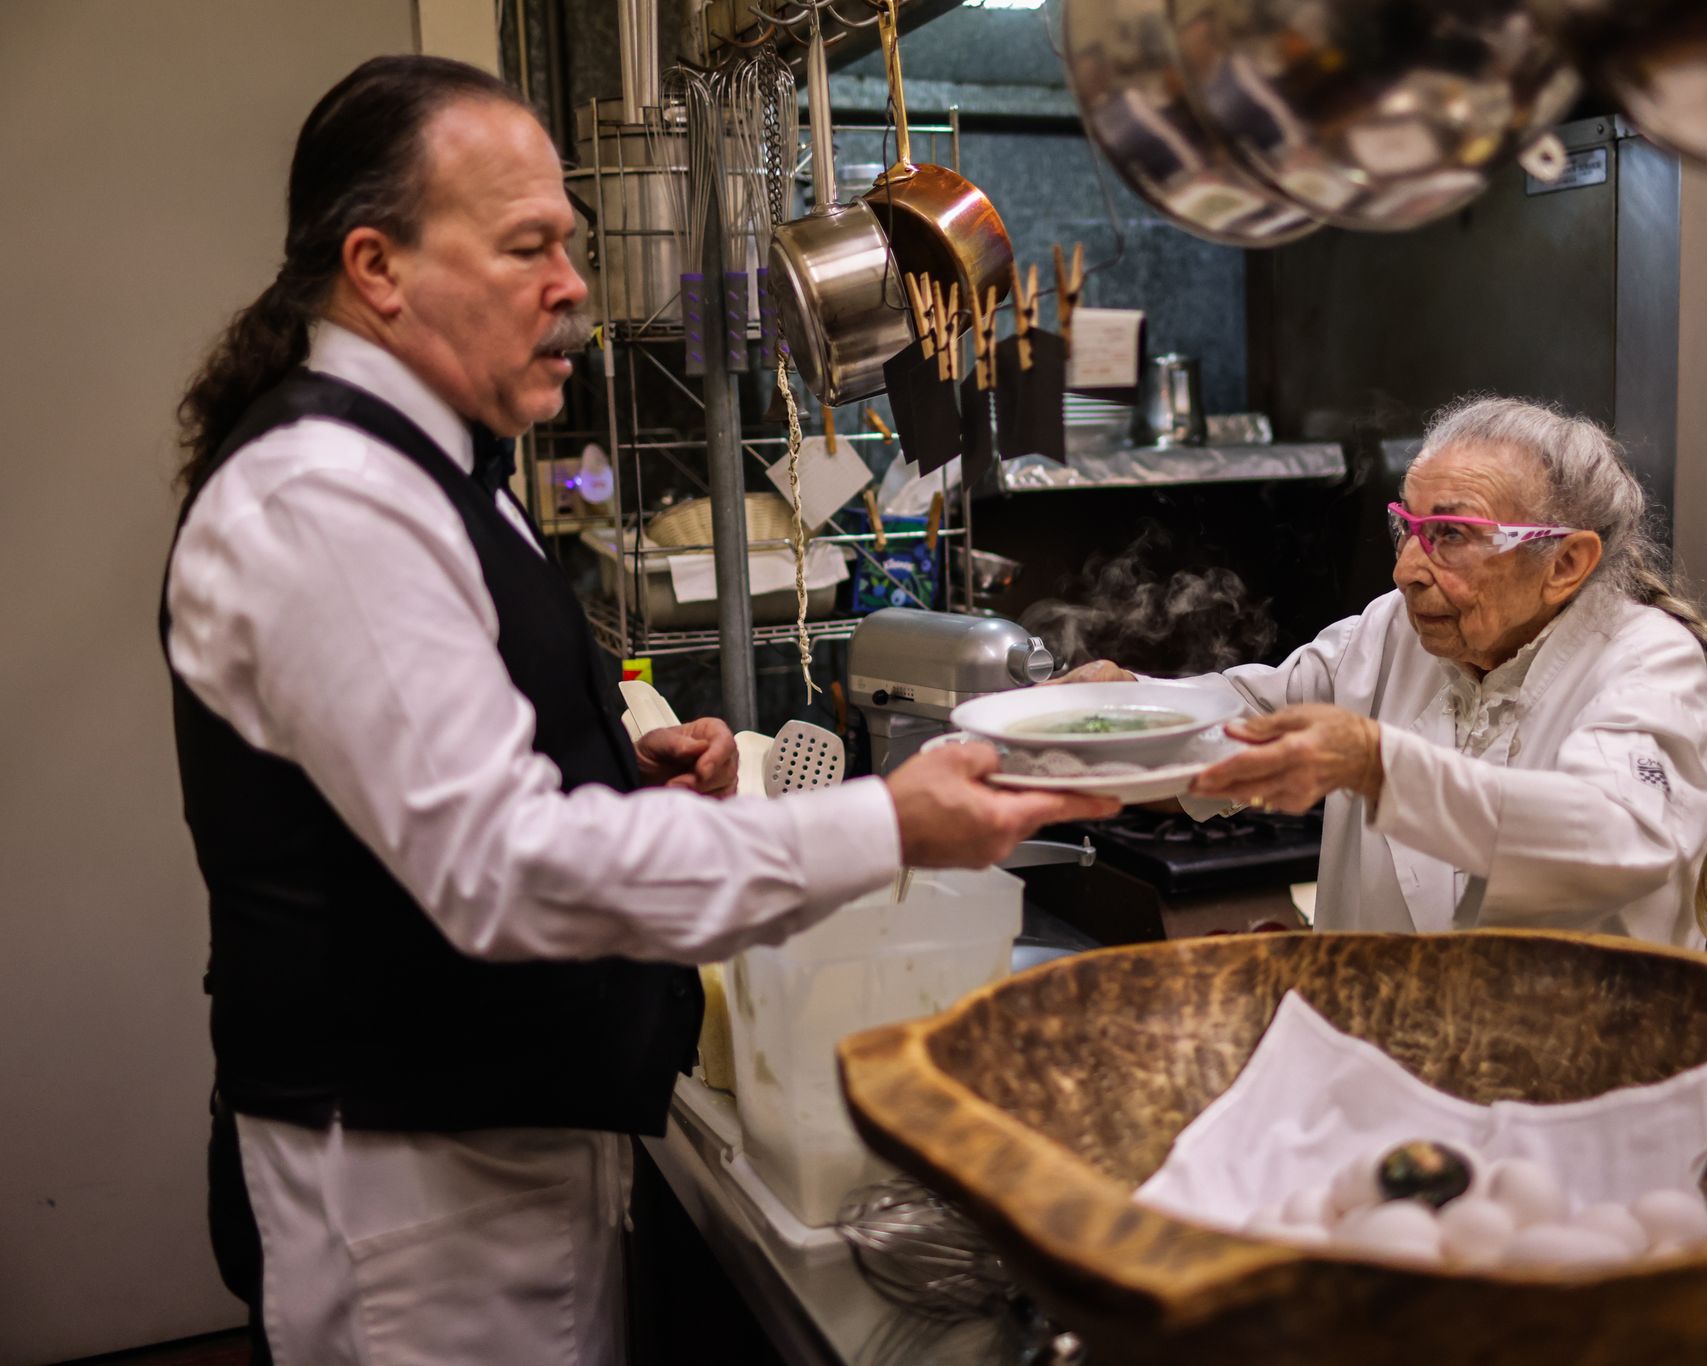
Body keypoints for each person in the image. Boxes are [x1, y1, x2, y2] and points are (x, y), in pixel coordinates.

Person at [163, 56, 1114, 1365]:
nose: (570, 286)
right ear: (376, 268)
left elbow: (443, 772)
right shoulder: (326, 500)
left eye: (573, 241)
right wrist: (885, 823)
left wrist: (609, 765)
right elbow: (501, 869)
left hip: (497, 1133)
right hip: (410, 1188)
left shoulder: (437, 461)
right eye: (525, 247)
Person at [1060, 397, 1707, 950]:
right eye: (1409, 528)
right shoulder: (1393, 630)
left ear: (1566, 563)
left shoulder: (1648, 663)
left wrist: (1377, 766)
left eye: (1450, 535)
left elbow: (1612, 835)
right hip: (1379, 1062)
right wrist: (1116, 710)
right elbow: (1245, 720)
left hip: (1571, 1088)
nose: (1406, 571)